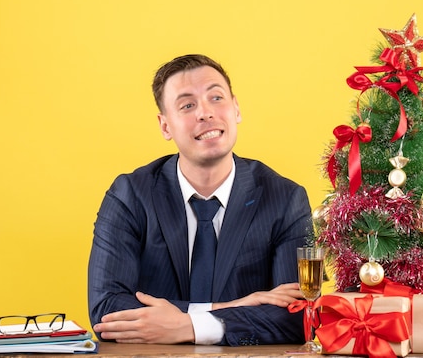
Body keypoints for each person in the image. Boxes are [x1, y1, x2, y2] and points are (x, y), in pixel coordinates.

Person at [88, 54, 313, 346]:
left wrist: (188, 326)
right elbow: (106, 311)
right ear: (165, 126)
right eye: (187, 105)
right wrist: (226, 309)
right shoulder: (130, 195)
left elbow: (300, 315)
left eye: (216, 98)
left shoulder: (285, 199)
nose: (205, 113)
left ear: (236, 109)